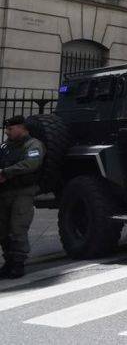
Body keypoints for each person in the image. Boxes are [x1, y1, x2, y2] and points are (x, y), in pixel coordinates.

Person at [0, 115, 46, 279]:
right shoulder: (6, 146)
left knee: (18, 228)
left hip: (23, 192)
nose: (7, 132)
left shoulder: (33, 145)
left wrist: (6, 172)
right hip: (4, 192)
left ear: (22, 128)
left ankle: (18, 263)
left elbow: (31, 164)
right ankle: (9, 262)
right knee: (2, 230)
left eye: (10, 129)